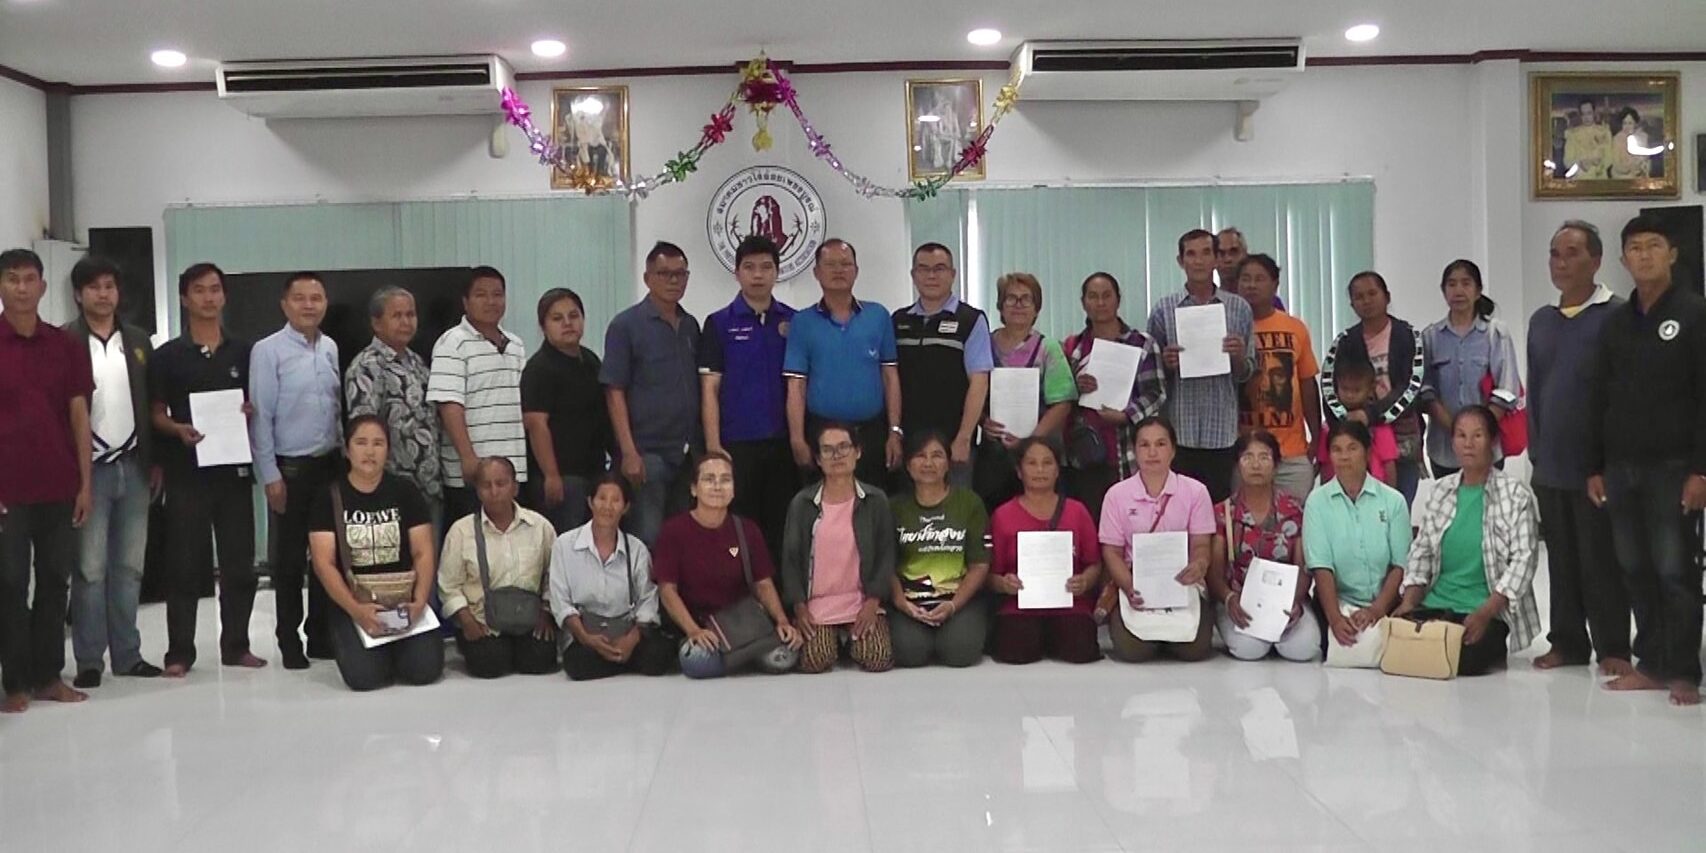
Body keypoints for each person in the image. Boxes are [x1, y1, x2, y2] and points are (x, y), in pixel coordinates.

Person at [1588, 214, 1706, 706]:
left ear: (1672, 254)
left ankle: (1683, 670)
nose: (1644, 255)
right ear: (1623, 259)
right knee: (1635, 568)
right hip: (1621, 467)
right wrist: (1595, 467)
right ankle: (1652, 662)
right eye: (1635, 248)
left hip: (1674, 468)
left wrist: (1701, 470)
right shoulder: (1617, 322)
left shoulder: (1695, 313)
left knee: (1674, 569)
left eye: (1654, 245)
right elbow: (1600, 398)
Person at [1528, 221, 1631, 674]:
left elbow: (1622, 397)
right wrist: (1535, 452)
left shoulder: (1617, 316)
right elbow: (1536, 390)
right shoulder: (1541, 321)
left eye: (1572, 253)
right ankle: (1567, 642)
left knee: (1601, 561)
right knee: (1562, 561)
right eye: (1555, 254)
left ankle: (1613, 646)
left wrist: (1608, 462)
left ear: (1597, 260)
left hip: (1597, 469)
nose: (1561, 263)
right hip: (1550, 465)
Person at [151, 263, 263, 676]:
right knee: (183, 565)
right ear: (184, 298)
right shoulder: (167, 356)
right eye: (199, 290)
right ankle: (179, 653)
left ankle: (236, 645)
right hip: (186, 472)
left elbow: (258, 404)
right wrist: (177, 429)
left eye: (215, 289)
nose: (208, 297)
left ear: (224, 296)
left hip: (233, 472)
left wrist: (249, 411)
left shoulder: (246, 352)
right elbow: (155, 412)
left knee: (240, 564)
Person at [0, 248, 94, 712]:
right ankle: (15, 682)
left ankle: (49, 676)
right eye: (11, 279)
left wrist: (85, 483)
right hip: (7, 492)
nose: (21, 287)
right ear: (1, 286)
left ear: (42, 285)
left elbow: (79, 415)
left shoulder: (64, 345)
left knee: (57, 581)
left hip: (59, 484)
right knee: (10, 585)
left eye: (29, 279)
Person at [66, 256, 162, 686]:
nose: (103, 294)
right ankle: (89, 660)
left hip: (135, 466)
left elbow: (151, 402)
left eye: (110, 286)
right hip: (89, 472)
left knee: (129, 567)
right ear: (78, 294)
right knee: (90, 570)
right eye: (94, 287)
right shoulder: (65, 341)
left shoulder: (138, 340)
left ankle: (128, 654)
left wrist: (154, 461)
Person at [1395, 406, 1541, 676]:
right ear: (1452, 442)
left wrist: (1485, 613)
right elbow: (1422, 551)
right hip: (1437, 606)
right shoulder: (1441, 491)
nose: (1469, 444)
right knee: (1400, 647)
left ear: (1492, 441)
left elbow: (1524, 561)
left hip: (1485, 612)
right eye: (1461, 436)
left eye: (1477, 435)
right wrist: (1409, 604)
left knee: (1462, 658)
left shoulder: (1515, 495)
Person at [307, 416, 443, 691]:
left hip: (402, 600)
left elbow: (423, 552)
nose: (369, 451)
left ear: (388, 450)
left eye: (378, 443)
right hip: (354, 602)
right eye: (361, 443)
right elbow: (323, 563)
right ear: (347, 450)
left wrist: (419, 602)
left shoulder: (405, 491)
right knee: (366, 678)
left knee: (424, 671)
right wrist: (356, 610)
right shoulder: (328, 497)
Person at [251, 271, 342, 667]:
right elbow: (261, 416)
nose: (309, 305)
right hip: (289, 470)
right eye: (300, 298)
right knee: (289, 563)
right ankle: (289, 640)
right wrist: (269, 475)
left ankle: (320, 636)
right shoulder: (268, 351)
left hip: (329, 466)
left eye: (316, 298)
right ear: (284, 305)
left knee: (328, 557)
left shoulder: (331, 347)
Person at [652, 452, 800, 678]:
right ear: (694, 489)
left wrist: (782, 621)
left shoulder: (747, 529)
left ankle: (740, 655)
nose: (717, 486)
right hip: (704, 628)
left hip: (745, 624)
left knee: (788, 653)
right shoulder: (674, 531)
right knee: (697, 661)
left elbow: (763, 583)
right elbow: (667, 591)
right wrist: (693, 631)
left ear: (733, 490)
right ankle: (747, 657)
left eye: (725, 480)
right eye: (709, 479)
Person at [700, 235, 799, 562]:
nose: (758, 275)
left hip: (783, 443)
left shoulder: (793, 321)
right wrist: (714, 446)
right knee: (739, 529)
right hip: (736, 445)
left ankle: (779, 592)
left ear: (777, 272)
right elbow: (710, 389)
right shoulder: (718, 323)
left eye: (766, 267)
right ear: (737, 272)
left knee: (781, 527)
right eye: (750, 267)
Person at [602, 242, 702, 546]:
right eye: (664, 273)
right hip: (646, 454)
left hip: (686, 454)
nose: (673, 280)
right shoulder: (625, 325)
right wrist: (629, 452)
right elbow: (614, 391)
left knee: (683, 538)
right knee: (647, 537)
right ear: (647, 278)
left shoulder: (690, 325)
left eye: (680, 274)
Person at [1147, 229, 1257, 503]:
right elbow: (1151, 375)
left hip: (1221, 430)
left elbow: (1249, 372)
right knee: (1179, 509)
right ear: (1180, 260)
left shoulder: (1239, 308)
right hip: (1179, 430)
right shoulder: (1163, 309)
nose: (1199, 261)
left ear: (1216, 259)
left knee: (1219, 510)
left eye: (1206, 253)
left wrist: (1238, 358)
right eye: (1191, 254)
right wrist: (1167, 364)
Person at [784, 239, 903, 488]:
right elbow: (796, 386)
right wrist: (796, 438)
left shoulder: (878, 316)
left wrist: (894, 431)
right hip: (821, 433)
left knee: (873, 501)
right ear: (816, 272)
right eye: (830, 264)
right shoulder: (802, 322)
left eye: (845, 264)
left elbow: (890, 377)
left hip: (871, 432)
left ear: (856, 271)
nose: (838, 270)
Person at [779, 422, 896, 674]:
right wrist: (799, 607)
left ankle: (848, 640)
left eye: (844, 447)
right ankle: (836, 641)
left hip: (861, 601)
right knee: (816, 660)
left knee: (877, 658)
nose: (837, 456)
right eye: (828, 450)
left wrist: (873, 601)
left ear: (858, 452)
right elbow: (790, 561)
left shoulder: (876, 501)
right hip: (817, 604)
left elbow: (887, 555)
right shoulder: (802, 503)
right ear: (818, 459)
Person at [1097, 417, 1215, 663]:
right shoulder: (1116, 495)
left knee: (1195, 650)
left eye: (1160, 444)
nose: (1152, 452)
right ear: (1134, 450)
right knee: (1133, 652)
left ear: (1173, 450)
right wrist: (1129, 585)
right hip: (1135, 580)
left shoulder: (1196, 491)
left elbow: (1201, 544)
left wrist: (1199, 564)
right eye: (1144, 445)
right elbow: (1111, 552)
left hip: (1181, 581)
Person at [438, 457, 559, 678]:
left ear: (515, 487)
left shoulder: (540, 527)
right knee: (490, 664)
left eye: (501, 484)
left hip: (529, 618)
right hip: (482, 621)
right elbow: (448, 585)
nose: (494, 492)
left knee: (539, 660)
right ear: (477, 491)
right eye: (486, 485)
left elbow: (555, 576)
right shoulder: (461, 531)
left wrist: (546, 613)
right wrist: (466, 620)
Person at [1062, 272, 1167, 523]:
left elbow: (1156, 393)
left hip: (1129, 450)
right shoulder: (1073, 347)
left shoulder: (1142, 343)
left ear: (1118, 300)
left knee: (1131, 524)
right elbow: (1060, 400)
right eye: (1093, 296)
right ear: (1083, 302)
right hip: (1085, 454)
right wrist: (1076, 388)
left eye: (1106, 296)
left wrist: (1126, 415)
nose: (1100, 303)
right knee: (1091, 523)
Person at [986, 437, 1102, 664]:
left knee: (1080, 649)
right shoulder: (1002, 515)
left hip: (1069, 602)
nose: (1040, 470)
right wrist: (1004, 584)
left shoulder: (1077, 511)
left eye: (1047, 463)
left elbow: (1094, 563)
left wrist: (1085, 581)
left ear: (1058, 470)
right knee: (1016, 651)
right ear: (1019, 471)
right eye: (1032, 463)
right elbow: (989, 575)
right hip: (1019, 604)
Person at [549, 474, 676, 680]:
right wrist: (585, 637)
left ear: (625, 507)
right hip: (586, 630)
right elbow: (560, 600)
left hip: (625, 628)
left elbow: (647, 599)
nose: (607, 507)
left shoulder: (636, 549)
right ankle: (620, 662)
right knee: (578, 664)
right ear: (590, 502)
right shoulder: (565, 545)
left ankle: (615, 659)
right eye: (602, 498)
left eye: (616, 500)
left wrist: (631, 639)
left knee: (659, 655)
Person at [1304, 420, 1412, 660]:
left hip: (1386, 603)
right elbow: (1321, 567)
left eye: (1352, 448)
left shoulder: (1393, 501)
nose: (1344, 457)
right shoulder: (1316, 503)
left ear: (1368, 452)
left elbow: (1400, 565)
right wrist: (1335, 618)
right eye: (1337, 449)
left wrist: (1377, 609)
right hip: (1336, 603)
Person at [429, 266, 528, 526]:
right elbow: (449, 404)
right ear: (466, 302)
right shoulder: (452, 343)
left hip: (512, 471)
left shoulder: (516, 345)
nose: (491, 301)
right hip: (473, 473)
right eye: (481, 295)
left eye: (497, 294)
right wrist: (468, 457)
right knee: (472, 542)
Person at [1209, 431, 1318, 662]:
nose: (1256, 465)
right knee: (1249, 650)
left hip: (1286, 601)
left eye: (1264, 457)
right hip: (1239, 600)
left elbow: (1302, 567)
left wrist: (1296, 600)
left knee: (1303, 650)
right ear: (1237, 465)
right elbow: (1215, 573)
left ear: (1276, 464)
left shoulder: (1295, 511)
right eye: (1247, 457)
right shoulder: (1223, 512)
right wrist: (1229, 599)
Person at [892, 243, 993, 489]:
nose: (931, 276)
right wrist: (893, 433)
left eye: (939, 269)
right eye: (923, 269)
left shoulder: (971, 320)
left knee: (955, 507)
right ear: (913, 275)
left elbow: (979, 382)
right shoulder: (898, 321)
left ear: (953, 274)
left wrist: (964, 437)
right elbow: (890, 380)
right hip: (909, 441)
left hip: (953, 441)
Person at [1321, 271, 1426, 504]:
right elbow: (1329, 387)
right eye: (1359, 297)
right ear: (1351, 304)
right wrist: (1344, 422)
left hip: (1402, 433)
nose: (1366, 301)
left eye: (1372, 293)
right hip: (1357, 434)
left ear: (1387, 297)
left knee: (1398, 505)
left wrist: (1370, 414)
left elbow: (1412, 384)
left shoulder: (1408, 336)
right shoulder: (1346, 342)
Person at [889, 430, 991, 667]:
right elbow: (886, 565)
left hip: (959, 598)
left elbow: (980, 564)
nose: (928, 463)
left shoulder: (969, 503)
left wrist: (954, 605)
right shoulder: (893, 507)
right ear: (908, 465)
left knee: (960, 652)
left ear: (948, 463)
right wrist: (901, 602)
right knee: (910, 653)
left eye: (937, 456)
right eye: (920, 456)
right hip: (910, 601)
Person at [976, 272, 1078, 508]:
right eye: (1011, 298)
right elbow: (971, 393)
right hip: (994, 455)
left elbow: (1063, 403)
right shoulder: (983, 345)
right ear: (1000, 306)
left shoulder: (1048, 348)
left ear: (1036, 308)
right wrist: (982, 421)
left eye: (1026, 299)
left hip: (1038, 452)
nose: (1018, 305)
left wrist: (1031, 440)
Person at [345, 286, 442, 529]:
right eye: (397, 316)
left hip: (428, 486)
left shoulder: (417, 362)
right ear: (376, 323)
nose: (406, 322)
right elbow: (363, 434)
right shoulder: (366, 367)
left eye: (411, 314)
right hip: (389, 491)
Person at [1419, 260, 1521, 477]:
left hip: (1487, 448)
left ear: (1478, 291)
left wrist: (1477, 431)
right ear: (1443, 291)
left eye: (1466, 283)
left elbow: (1507, 390)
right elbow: (1426, 390)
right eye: (1452, 284)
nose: (1458, 291)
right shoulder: (1430, 336)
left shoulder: (1495, 333)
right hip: (1444, 449)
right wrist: (1455, 429)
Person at [521, 288, 611, 534]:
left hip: (593, 472)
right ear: (543, 326)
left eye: (573, 316)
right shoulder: (539, 368)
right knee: (566, 544)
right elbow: (536, 424)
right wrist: (551, 475)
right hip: (561, 478)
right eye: (557, 318)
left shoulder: (590, 360)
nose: (567, 323)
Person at [1236, 254, 1321, 500]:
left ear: (1275, 284)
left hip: (1292, 453)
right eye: (1246, 279)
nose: (1252, 285)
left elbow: (1307, 384)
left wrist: (1316, 438)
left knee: (1294, 518)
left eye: (1259, 279)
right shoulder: (1231, 327)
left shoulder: (1295, 327)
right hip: (1244, 451)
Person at [1317, 357, 1398, 486]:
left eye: (1356, 390)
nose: (1350, 395)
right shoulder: (1328, 429)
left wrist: (1390, 495)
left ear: (1370, 389)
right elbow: (1324, 467)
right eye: (1345, 389)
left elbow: (1389, 466)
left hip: (1375, 492)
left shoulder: (1380, 428)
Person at [1563, 98, 1612, 180]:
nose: (1586, 117)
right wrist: (1580, 163)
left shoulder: (1604, 132)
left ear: (1594, 113)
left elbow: (1609, 158)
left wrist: (1600, 166)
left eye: (1589, 113)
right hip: (1579, 179)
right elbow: (1567, 161)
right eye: (1583, 114)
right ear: (1580, 115)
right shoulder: (1572, 135)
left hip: (1599, 179)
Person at [1608, 107, 1653, 180]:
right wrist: (1631, 166)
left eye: (1630, 123)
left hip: (1640, 177)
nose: (1627, 127)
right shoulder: (1617, 139)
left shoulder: (1643, 137)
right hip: (1621, 177)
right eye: (1624, 123)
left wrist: (1643, 167)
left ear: (1635, 124)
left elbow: (1646, 160)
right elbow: (1617, 165)